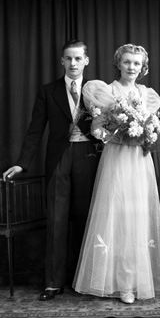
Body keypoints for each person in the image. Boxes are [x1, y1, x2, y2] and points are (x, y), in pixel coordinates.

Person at [2, 39, 101, 301]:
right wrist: (21, 162)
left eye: (78, 58)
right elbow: (35, 130)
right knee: (56, 220)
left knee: (84, 219)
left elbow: (108, 127)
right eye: (68, 58)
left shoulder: (96, 90)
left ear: (86, 61)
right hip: (58, 158)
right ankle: (53, 283)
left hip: (88, 158)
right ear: (62, 61)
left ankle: (83, 280)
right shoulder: (48, 91)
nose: (73, 63)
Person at [73, 44, 160, 304]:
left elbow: (153, 128)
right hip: (116, 160)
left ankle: (138, 281)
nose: (131, 67)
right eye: (127, 62)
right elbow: (96, 129)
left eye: (136, 64)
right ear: (119, 63)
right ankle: (120, 284)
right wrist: (114, 135)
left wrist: (147, 132)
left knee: (137, 217)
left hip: (139, 161)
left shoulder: (148, 95)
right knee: (118, 216)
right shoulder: (107, 91)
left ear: (143, 67)